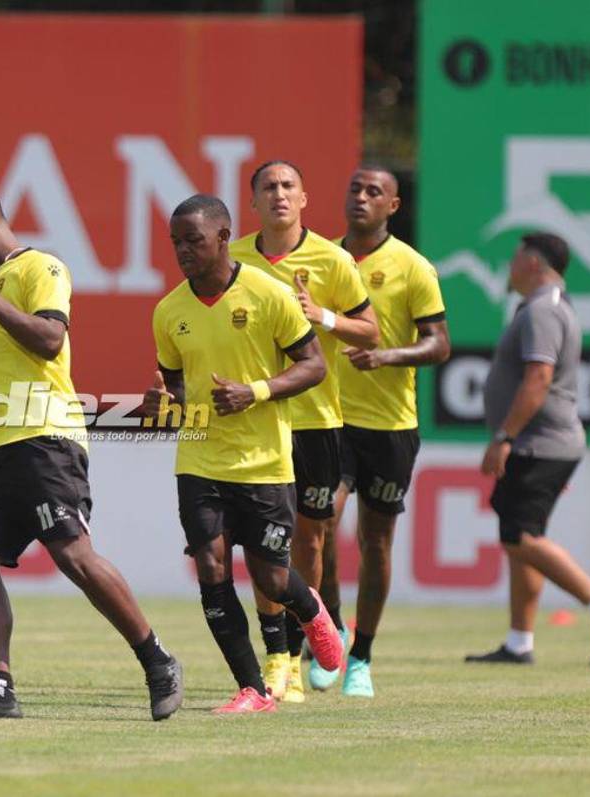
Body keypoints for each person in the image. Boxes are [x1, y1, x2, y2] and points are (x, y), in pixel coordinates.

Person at [0, 188, 183, 721]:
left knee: (73, 554)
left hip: (45, 436)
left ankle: (156, 658)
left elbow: (49, 341)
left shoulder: (40, 266)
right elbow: (14, 362)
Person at [144, 193, 342, 714]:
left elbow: (315, 366)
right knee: (211, 567)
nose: (183, 250)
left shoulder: (268, 293)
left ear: (224, 237)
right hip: (199, 460)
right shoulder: (168, 311)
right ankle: (253, 687)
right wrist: (163, 404)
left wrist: (253, 392)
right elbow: (179, 390)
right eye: (175, 242)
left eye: (194, 240)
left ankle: (311, 610)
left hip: (263, 461)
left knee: (272, 577)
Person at [227, 161, 378, 703]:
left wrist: (325, 317)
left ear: (305, 198)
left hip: (316, 419)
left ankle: (301, 636)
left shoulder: (333, 260)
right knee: (260, 544)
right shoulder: (234, 259)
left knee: (311, 540)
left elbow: (371, 330)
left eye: (289, 185)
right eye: (268, 187)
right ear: (253, 203)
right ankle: (281, 659)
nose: (279, 194)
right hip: (257, 420)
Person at [464, 232, 590, 667]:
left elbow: (538, 379)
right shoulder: (544, 306)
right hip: (541, 442)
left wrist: (504, 437)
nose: (510, 266)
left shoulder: (544, 309)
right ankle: (520, 642)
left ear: (535, 263)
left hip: (541, 443)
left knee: (520, 536)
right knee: (522, 536)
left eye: (516, 258)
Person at [317, 167, 451, 697]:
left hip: (392, 425)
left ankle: (361, 657)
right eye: (355, 188)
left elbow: (439, 344)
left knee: (376, 540)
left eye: (375, 192)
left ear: (393, 206)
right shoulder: (324, 258)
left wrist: (387, 356)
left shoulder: (414, 268)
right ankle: (329, 630)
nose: (362, 198)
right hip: (331, 419)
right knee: (322, 521)